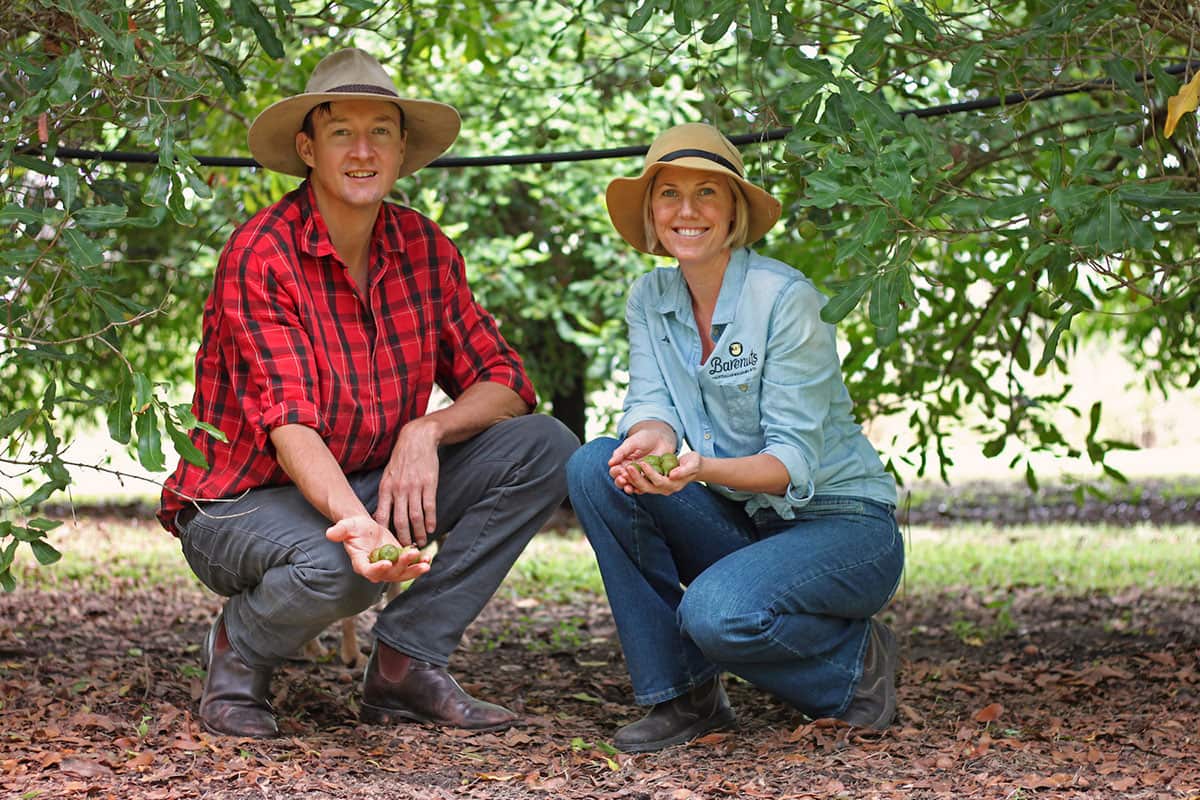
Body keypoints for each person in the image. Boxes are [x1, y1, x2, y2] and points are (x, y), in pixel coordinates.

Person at [158, 48, 578, 739]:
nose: (362, 150)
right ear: (307, 148)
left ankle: (403, 665)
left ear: (402, 147)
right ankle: (237, 654)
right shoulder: (261, 254)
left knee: (544, 447)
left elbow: (506, 381)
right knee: (344, 568)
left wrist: (427, 432)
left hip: (366, 477)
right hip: (238, 505)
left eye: (380, 130)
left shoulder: (424, 247)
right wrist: (362, 527)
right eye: (341, 132)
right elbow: (290, 425)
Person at [565, 123, 904, 753]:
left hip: (842, 525)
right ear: (650, 211)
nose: (686, 211)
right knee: (593, 467)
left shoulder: (786, 299)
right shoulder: (651, 295)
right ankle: (685, 698)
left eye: (707, 194)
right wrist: (648, 439)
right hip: (748, 521)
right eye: (668, 193)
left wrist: (698, 469)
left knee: (718, 615)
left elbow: (790, 461)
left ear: (734, 211)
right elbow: (652, 402)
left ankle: (855, 666)